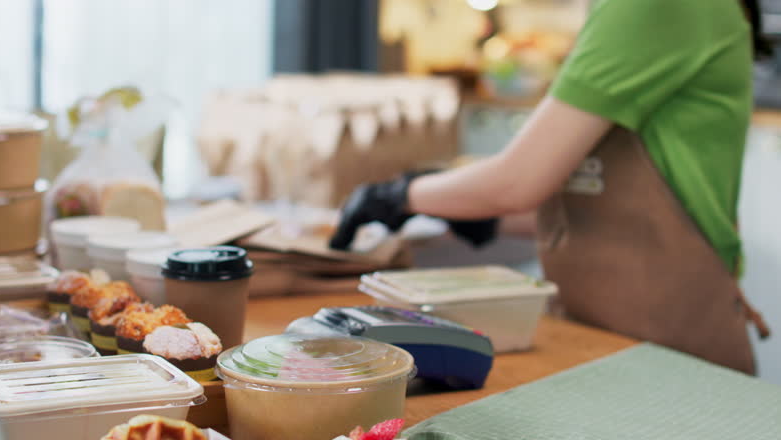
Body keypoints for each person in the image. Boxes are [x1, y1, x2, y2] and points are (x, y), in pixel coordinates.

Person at [329, 0, 773, 374]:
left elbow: (518, 181)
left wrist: (402, 194)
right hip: (615, 339)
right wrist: (475, 215)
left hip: (667, 353)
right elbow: (601, 198)